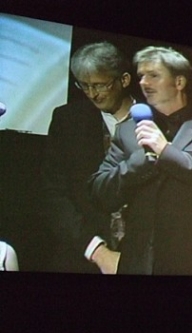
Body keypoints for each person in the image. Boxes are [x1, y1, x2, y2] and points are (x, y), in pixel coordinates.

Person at [88, 46, 192, 275]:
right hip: (139, 264)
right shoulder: (127, 131)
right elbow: (99, 194)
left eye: (154, 75)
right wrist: (139, 161)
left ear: (179, 82)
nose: (143, 82)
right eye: (141, 76)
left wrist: (167, 153)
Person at [41, 41, 136, 273]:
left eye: (100, 85)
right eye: (84, 85)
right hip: (82, 258)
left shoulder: (157, 121)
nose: (92, 94)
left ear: (124, 80)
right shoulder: (68, 120)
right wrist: (98, 251)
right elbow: (53, 194)